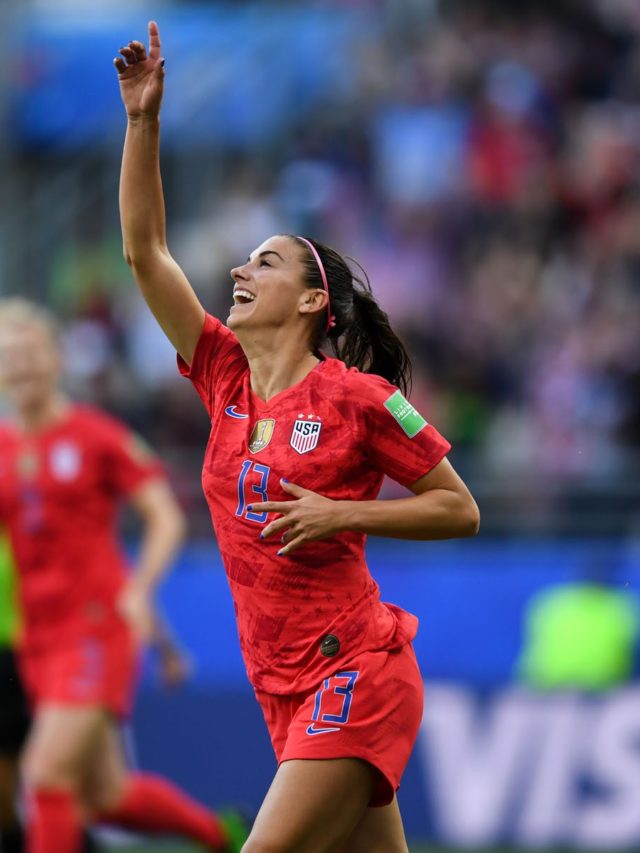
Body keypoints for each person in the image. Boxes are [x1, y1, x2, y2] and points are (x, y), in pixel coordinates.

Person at [114, 22, 480, 852]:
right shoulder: (222, 373)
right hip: (279, 684)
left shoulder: (358, 397)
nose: (239, 271)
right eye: (245, 261)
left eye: (266, 262)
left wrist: (341, 513)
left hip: (355, 667)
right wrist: (143, 121)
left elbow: (459, 510)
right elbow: (145, 252)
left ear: (314, 300)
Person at [0, 300, 247, 853]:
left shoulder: (96, 436)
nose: (22, 367)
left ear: (57, 360)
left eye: (31, 353)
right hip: (37, 638)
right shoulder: (4, 449)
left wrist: (140, 592)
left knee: (44, 775)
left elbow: (164, 516)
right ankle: (223, 835)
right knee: (103, 796)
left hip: (94, 629)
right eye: (10, 358)